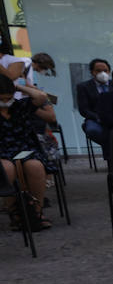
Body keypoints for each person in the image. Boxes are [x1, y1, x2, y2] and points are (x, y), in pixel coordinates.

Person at [0, 74, 58, 230]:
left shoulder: (20, 106)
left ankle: (37, 211)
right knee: (7, 168)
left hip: (24, 147)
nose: (6, 102)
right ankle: (14, 211)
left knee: (35, 166)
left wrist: (17, 86)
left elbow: (41, 96)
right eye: (2, 98)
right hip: (2, 150)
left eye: (9, 97)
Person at [76, 58, 113, 156]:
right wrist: (98, 118)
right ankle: (112, 158)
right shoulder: (83, 87)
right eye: (98, 70)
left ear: (109, 71)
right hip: (95, 119)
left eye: (105, 70)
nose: (102, 73)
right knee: (93, 131)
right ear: (92, 72)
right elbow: (84, 110)